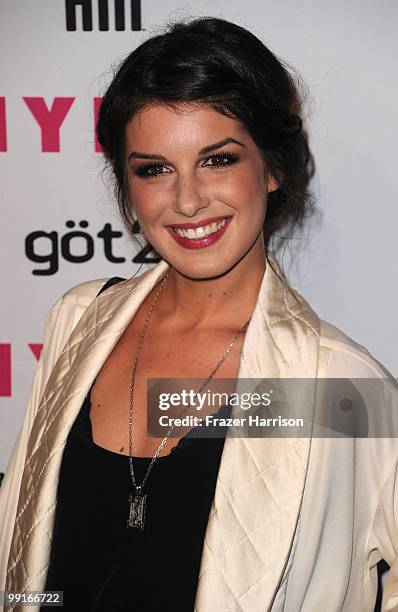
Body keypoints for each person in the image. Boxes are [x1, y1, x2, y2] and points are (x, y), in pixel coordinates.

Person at [1, 15, 398, 612]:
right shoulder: (79, 320)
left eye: (218, 160)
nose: (187, 200)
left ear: (273, 168)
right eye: (154, 168)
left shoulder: (332, 381)